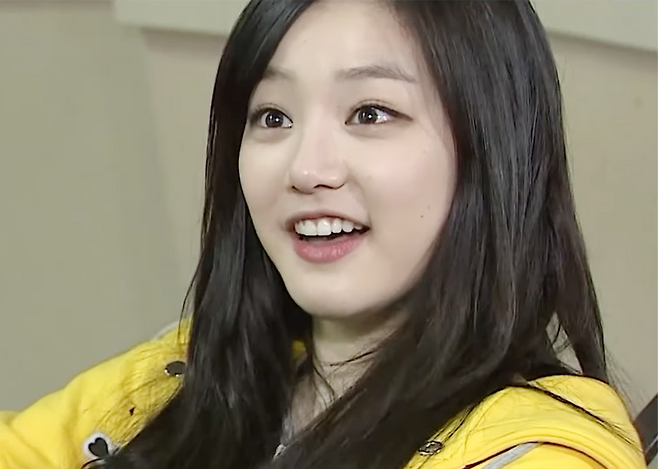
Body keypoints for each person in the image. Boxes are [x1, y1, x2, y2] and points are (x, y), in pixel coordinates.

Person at [0, 1, 646, 468]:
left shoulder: (535, 449)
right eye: (272, 116)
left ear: (493, 149)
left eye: (371, 112)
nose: (306, 169)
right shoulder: (185, 371)